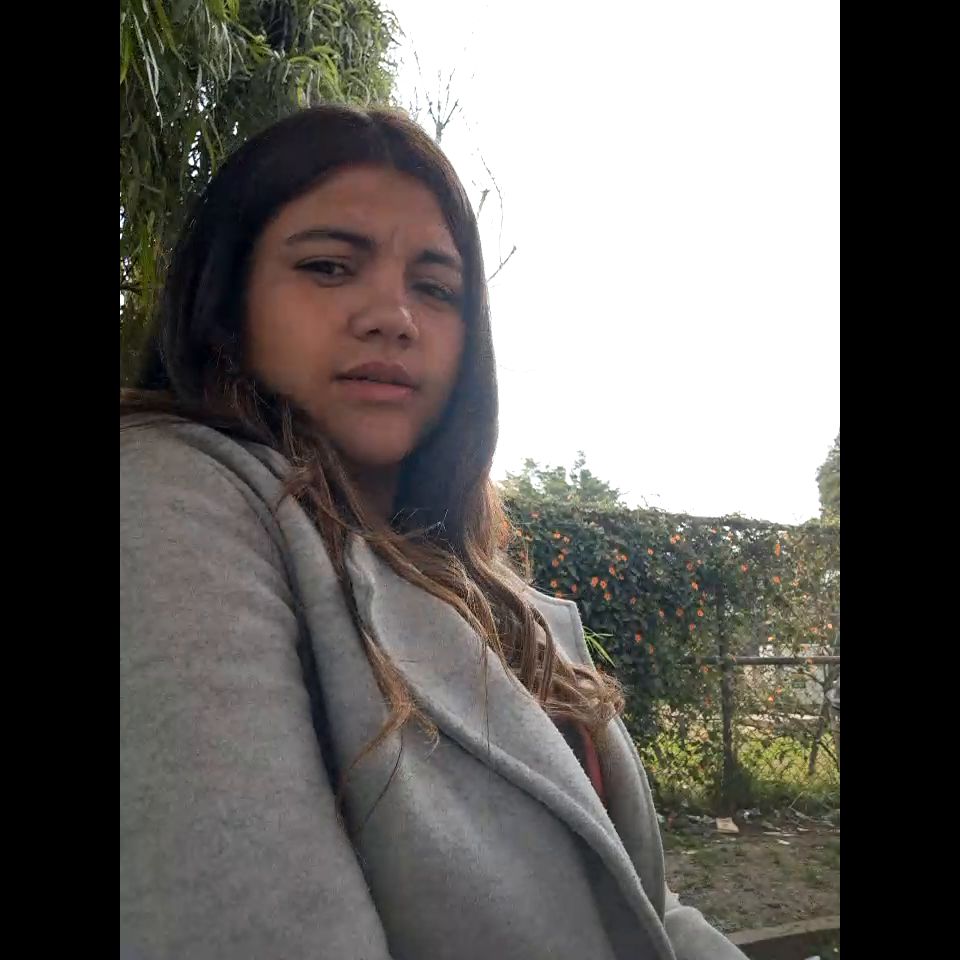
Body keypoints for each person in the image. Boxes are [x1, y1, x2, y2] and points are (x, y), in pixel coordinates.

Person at [120, 104, 747, 960]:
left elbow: (640, 906)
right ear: (226, 304)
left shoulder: (498, 594)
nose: (394, 316)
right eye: (329, 266)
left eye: (436, 287)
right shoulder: (174, 496)